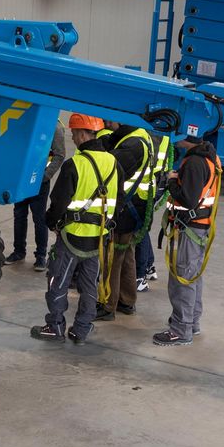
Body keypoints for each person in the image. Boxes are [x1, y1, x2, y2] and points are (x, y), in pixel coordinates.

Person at [31, 114, 118, 345]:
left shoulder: (75, 164)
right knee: (90, 286)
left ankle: (55, 325)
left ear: (82, 133)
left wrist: (51, 222)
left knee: (58, 280)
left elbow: (59, 202)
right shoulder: (113, 163)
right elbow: (118, 198)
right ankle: (82, 329)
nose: (71, 136)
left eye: (73, 133)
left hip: (72, 238)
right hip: (98, 238)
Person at [153, 135, 221, 346]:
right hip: (199, 226)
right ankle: (191, 323)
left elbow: (188, 200)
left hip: (190, 227)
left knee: (182, 277)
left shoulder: (193, 163)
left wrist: (172, 182)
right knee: (192, 275)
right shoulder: (208, 157)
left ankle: (181, 330)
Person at [94, 121, 154, 321]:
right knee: (125, 253)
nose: (106, 122)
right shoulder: (137, 134)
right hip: (134, 206)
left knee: (112, 257)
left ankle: (107, 304)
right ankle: (127, 300)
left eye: (109, 120)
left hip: (126, 208)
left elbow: (111, 169)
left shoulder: (133, 145)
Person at [7, 118, 66, 271]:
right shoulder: (26, 119)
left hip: (39, 181)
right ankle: (19, 251)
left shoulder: (55, 127)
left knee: (39, 218)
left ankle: (41, 256)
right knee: (19, 215)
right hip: (21, 179)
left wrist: (45, 176)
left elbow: (59, 155)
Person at [134, 134, 172, 292]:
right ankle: (149, 266)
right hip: (155, 183)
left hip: (148, 186)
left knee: (139, 230)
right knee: (142, 226)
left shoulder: (150, 129)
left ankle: (140, 276)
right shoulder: (162, 126)